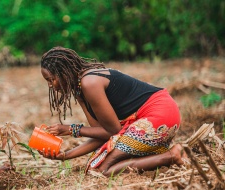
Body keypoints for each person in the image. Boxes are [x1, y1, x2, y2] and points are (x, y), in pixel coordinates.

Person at [38, 46, 187, 176]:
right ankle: (163, 155)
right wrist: (64, 155)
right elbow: (101, 134)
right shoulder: (79, 89)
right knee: (96, 163)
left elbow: (112, 131)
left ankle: (171, 156)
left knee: (101, 170)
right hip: (154, 117)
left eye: (51, 79)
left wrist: (71, 129)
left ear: (64, 72)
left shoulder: (89, 83)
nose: (50, 85)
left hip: (160, 114)